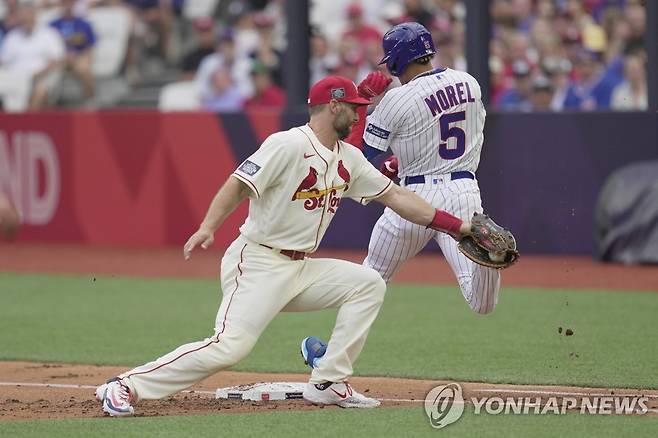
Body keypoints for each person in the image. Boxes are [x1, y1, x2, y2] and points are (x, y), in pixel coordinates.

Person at [95, 75, 474, 416]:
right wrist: (208, 227)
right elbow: (238, 183)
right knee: (231, 347)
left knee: (368, 283)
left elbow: (398, 198)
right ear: (334, 106)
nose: (361, 115)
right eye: (356, 108)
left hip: (300, 268)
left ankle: (327, 382)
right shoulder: (288, 144)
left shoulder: (350, 159)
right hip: (259, 261)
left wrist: (457, 227)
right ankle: (125, 385)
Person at [301, 22, 508, 369]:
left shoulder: (396, 99)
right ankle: (491, 248)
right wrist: (403, 159)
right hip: (463, 193)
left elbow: (358, 157)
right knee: (481, 302)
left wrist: (364, 102)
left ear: (397, 60)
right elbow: (446, 133)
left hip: (412, 199)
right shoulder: (469, 82)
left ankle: (331, 359)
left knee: (369, 280)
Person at [50, 0, 97, 103]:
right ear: (60, 5)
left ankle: (91, 100)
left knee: (83, 69)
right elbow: (47, 46)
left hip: (79, 56)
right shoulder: (53, 25)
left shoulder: (85, 24)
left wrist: (86, 59)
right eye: (65, 3)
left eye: (70, 3)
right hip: (59, 59)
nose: (68, 6)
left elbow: (91, 47)